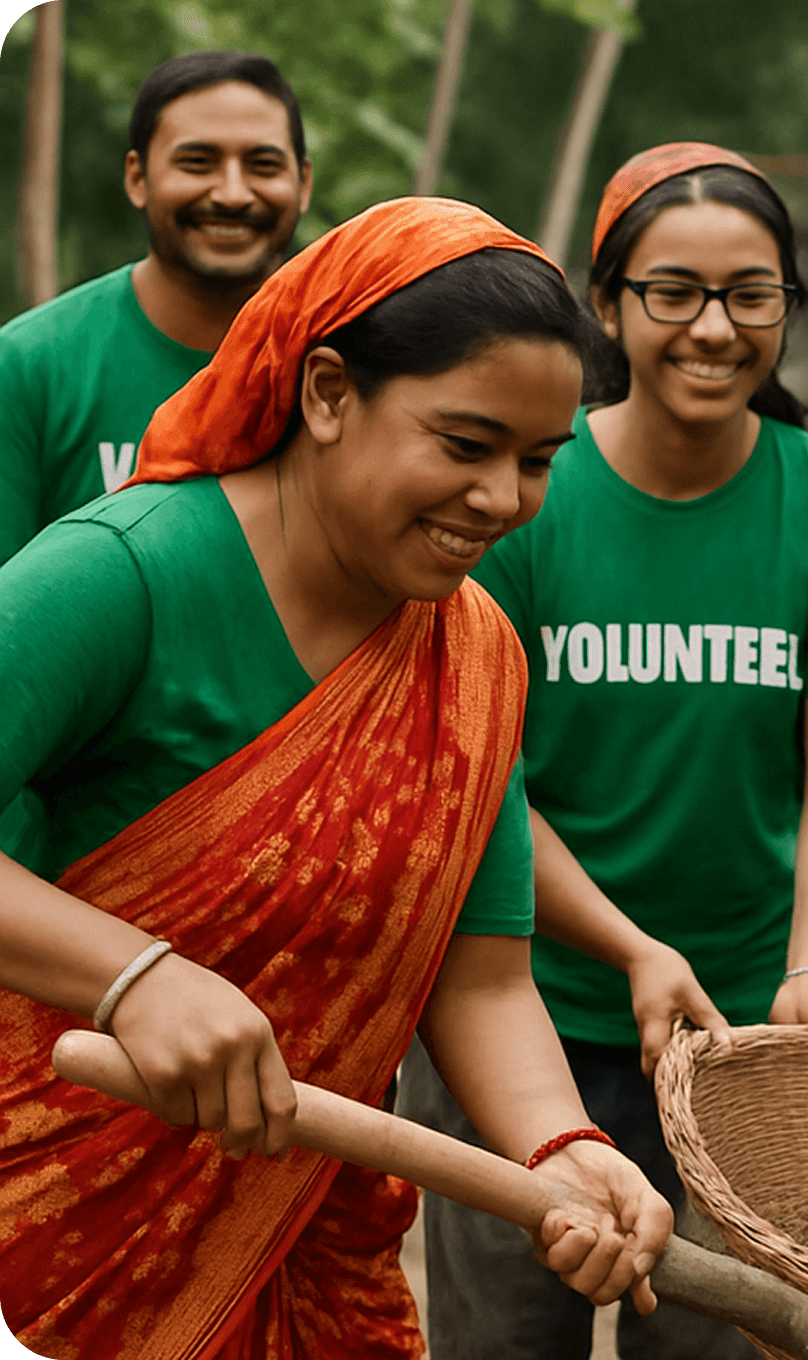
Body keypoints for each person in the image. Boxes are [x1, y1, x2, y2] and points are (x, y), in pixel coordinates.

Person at [0, 197, 672, 1360]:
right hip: (52, 1237)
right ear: (325, 393)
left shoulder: (475, 655)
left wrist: (565, 1148)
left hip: (308, 1250)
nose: (502, 501)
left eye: (537, 462)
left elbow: (481, 980)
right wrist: (134, 978)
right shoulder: (121, 577)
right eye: (464, 446)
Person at [397, 143, 808, 1360]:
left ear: (789, 306)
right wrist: (633, 946)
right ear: (607, 304)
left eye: (752, 295)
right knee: (501, 1341)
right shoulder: (527, 492)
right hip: (515, 1011)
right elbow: (486, 782)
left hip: (732, 1046)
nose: (714, 327)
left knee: (707, 1344)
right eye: (672, 292)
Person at [0, 49, 312, 566]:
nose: (233, 194)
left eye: (262, 165)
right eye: (197, 162)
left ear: (303, 184)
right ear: (138, 178)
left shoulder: (345, 367)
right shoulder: (28, 367)